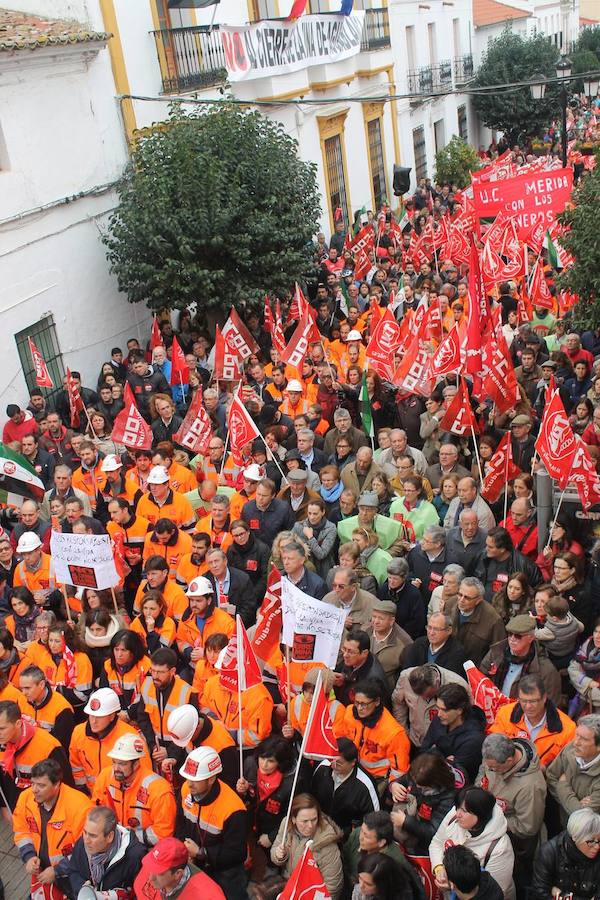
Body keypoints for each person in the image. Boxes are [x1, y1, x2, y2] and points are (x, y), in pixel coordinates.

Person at [176, 746, 249, 899]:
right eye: (188, 778)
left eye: (195, 780)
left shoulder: (233, 809)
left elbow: (237, 853)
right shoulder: (185, 790)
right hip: (195, 863)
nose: (189, 784)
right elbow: (180, 822)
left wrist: (202, 853)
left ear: (211, 779)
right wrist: (185, 848)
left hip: (225, 872)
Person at [478, 733, 547, 892]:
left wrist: (493, 821)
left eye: (494, 768)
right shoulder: (493, 757)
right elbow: (483, 774)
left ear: (509, 761)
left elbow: (528, 827)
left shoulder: (530, 787)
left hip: (517, 846)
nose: (491, 770)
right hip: (491, 826)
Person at [13, 758, 93, 891]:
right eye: (32, 783)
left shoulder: (81, 808)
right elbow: (21, 831)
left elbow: (87, 850)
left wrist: (57, 870)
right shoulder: (26, 798)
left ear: (57, 785)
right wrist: (29, 856)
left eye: (41, 785)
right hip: (43, 874)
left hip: (74, 876)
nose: (34, 790)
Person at [430, 786, 516, 900]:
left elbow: (494, 891)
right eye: (458, 808)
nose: (458, 814)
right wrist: (439, 868)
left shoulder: (499, 848)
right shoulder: (454, 815)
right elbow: (436, 843)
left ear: (480, 815)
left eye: (464, 811)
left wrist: (453, 887)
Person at [92, 731, 176, 846]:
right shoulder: (106, 776)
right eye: (114, 762)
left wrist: (128, 836)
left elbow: (163, 834)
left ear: (136, 764)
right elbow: (96, 810)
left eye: (122, 764)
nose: (116, 768)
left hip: (145, 849)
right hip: (113, 842)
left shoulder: (159, 790)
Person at [69, 687, 151, 792]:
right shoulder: (79, 733)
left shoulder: (131, 739)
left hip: (121, 800)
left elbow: (143, 776)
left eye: (99, 717)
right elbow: (76, 768)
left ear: (112, 716)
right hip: (93, 799)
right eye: (91, 715)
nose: (93, 721)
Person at [55, 805, 147, 897]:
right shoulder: (83, 842)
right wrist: (82, 889)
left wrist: (120, 895)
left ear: (109, 837)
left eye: (93, 836)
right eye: (85, 832)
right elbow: (74, 870)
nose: (86, 840)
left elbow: (142, 893)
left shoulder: (135, 856)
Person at [0, 698, 73, 811]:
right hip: (19, 811)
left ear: (18, 723)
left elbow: (65, 785)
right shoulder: (3, 741)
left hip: (46, 811)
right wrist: (5, 806)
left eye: (2, 728)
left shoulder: (48, 746)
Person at [490, 673, 575, 768]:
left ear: (544, 698)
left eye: (533, 701)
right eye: (523, 701)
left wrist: (546, 770)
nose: (528, 706)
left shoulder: (567, 728)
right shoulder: (505, 714)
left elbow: (568, 764)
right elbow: (493, 748)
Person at [270, 794, 344, 900]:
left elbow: (333, 886)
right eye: (304, 821)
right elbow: (275, 852)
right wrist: (279, 855)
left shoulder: (327, 843)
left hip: (310, 893)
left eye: (314, 819)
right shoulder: (286, 825)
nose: (310, 826)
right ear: (293, 819)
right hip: (288, 883)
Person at [339, 678, 410, 789]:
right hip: (353, 771)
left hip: (378, 780)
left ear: (377, 702)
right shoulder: (349, 712)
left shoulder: (394, 733)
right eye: (356, 703)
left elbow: (399, 771)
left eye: (364, 704)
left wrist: (392, 786)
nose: (359, 708)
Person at [389, 752, 457, 860]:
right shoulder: (417, 773)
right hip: (408, 832)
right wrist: (393, 786)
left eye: (422, 787)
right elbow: (403, 781)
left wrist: (406, 821)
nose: (416, 787)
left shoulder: (448, 798)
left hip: (424, 847)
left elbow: (435, 832)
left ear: (435, 783)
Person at [481, 615, 562, 705]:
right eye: (510, 634)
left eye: (518, 636)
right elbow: (481, 679)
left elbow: (552, 706)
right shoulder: (496, 652)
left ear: (531, 638)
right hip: (492, 708)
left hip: (521, 716)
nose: (512, 639)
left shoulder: (546, 671)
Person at [342, 810, 425, 897]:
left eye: (366, 836)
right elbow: (345, 858)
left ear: (381, 842)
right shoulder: (357, 834)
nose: (361, 837)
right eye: (362, 831)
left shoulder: (395, 863)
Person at [311, 737, 380, 838]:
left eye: (339, 763)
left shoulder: (365, 785)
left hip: (346, 836)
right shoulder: (322, 768)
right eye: (331, 760)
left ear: (353, 762)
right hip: (319, 828)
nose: (333, 765)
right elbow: (312, 796)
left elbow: (373, 820)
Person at [138, 647, 193, 766]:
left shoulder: (187, 692)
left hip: (179, 752)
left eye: (160, 672)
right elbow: (143, 719)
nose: (155, 676)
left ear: (172, 671)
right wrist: (153, 746)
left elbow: (190, 730)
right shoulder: (147, 686)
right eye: (152, 670)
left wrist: (170, 752)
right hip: (155, 747)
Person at [531, 808, 600, 900]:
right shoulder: (549, 852)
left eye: (599, 841)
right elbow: (540, 892)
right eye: (591, 841)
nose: (597, 846)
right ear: (575, 837)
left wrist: (563, 897)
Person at [421, 683, 486, 781]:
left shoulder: (474, 739)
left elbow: (456, 775)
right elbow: (424, 750)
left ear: (459, 710)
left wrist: (434, 753)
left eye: (444, 710)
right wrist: (445, 759)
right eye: (438, 708)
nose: (439, 714)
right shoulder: (439, 721)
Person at [134, 836, 226, 900]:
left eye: (159, 873)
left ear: (178, 874)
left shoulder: (209, 896)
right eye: (151, 867)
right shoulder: (151, 868)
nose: (150, 878)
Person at [547, 715, 600, 823]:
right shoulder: (570, 749)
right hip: (563, 821)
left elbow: (584, 817)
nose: (576, 742)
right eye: (577, 735)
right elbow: (551, 777)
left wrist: (563, 786)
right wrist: (574, 805)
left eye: (584, 739)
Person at [450, 577, 506, 668]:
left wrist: (482, 672)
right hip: (448, 663)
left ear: (479, 600)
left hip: (473, 669)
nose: (461, 600)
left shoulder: (493, 620)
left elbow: (497, 653)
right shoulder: (450, 604)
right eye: (460, 594)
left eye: (467, 597)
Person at [18, 664, 74, 751]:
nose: (23, 693)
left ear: (41, 684)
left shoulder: (62, 708)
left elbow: (62, 747)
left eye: (27, 688)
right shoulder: (22, 699)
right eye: (22, 688)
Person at [400, 612, 469, 678]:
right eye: (429, 627)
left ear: (449, 630)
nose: (431, 633)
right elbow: (407, 671)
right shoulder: (418, 643)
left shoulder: (457, 652)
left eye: (436, 629)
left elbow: (449, 682)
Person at [334, 630, 388, 705]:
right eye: (344, 649)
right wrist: (344, 678)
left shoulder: (373, 679)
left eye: (351, 652)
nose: (345, 655)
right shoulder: (352, 659)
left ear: (364, 653)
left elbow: (367, 709)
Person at [377, 558, 425, 640]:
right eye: (389, 577)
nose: (391, 582)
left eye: (395, 579)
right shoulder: (383, 589)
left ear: (404, 578)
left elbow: (417, 622)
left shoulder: (414, 595)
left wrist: (399, 636)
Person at [569, 616, 600, 714]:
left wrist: (582, 688)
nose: (597, 636)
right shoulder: (586, 646)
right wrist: (588, 683)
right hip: (582, 704)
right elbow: (572, 669)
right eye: (596, 631)